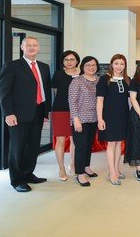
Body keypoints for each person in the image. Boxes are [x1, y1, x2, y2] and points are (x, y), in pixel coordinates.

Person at [0, 36, 52, 192]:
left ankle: (28, 173)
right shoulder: (12, 66)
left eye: (35, 45)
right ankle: (17, 180)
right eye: (28, 45)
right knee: (17, 147)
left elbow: (45, 89)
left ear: (38, 48)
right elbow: (4, 92)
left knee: (33, 146)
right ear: (22, 47)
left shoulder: (44, 67)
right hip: (18, 114)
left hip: (38, 111)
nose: (31, 47)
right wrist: (8, 113)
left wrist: (46, 110)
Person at [96, 54, 130, 185]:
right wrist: (100, 119)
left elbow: (129, 99)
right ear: (111, 64)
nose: (119, 66)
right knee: (111, 144)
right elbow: (99, 100)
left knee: (118, 144)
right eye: (116, 63)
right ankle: (112, 173)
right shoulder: (104, 79)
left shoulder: (127, 79)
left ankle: (116, 169)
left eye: (122, 64)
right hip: (109, 116)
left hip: (123, 116)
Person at [68, 56, 100, 187]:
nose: (91, 67)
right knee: (81, 146)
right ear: (83, 67)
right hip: (80, 119)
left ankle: (86, 167)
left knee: (89, 145)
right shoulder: (77, 81)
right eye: (88, 65)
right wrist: (75, 119)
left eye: (93, 65)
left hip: (94, 118)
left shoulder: (99, 80)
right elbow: (72, 101)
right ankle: (80, 173)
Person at [51, 50, 80, 181]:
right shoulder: (58, 75)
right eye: (66, 59)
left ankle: (73, 165)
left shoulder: (82, 74)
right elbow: (56, 92)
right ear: (63, 61)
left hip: (78, 111)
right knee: (61, 140)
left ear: (77, 61)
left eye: (72, 59)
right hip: (60, 110)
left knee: (75, 140)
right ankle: (61, 168)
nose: (69, 62)